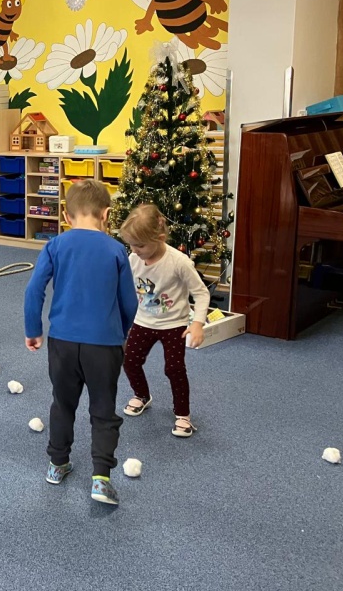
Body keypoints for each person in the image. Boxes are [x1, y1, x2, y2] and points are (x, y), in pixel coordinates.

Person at [24, 180, 137, 507]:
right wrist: (121, 334)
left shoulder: (55, 245)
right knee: (103, 409)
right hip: (104, 345)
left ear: (65, 215)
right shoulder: (116, 249)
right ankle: (101, 478)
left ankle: (57, 463)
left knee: (63, 403)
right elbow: (129, 303)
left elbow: (34, 290)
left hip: (62, 341)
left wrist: (34, 329)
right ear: (106, 214)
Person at [119, 203, 210, 438]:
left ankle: (182, 415)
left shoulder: (179, 262)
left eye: (140, 245)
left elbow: (201, 293)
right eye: (131, 244)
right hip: (143, 321)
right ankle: (142, 395)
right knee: (129, 361)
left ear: (159, 238)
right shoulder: (134, 258)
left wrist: (197, 323)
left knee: (174, 369)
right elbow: (125, 288)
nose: (135, 250)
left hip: (174, 324)